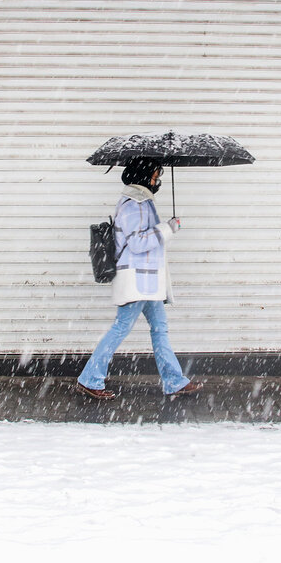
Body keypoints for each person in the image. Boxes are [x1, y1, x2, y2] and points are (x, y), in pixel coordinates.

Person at [76, 157, 203, 400]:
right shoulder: (134, 204)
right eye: (156, 175)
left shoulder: (142, 201)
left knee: (159, 329)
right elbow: (136, 243)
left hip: (147, 283)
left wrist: (166, 227)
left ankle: (174, 381)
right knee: (121, 328)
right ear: (144, 175)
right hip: (137, 281)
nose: (158, 180)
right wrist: (167, 229)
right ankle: (89, 379)